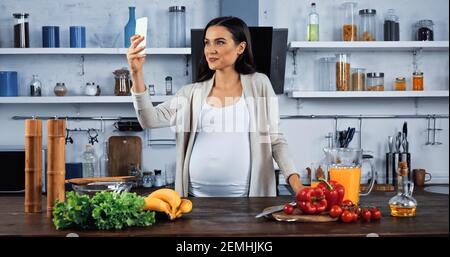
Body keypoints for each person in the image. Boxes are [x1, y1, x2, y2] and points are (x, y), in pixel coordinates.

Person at [127, 16, 304, 197]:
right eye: (207, 43)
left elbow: (274, 140)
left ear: (240, 48)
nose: (211, 50)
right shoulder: (191, 93)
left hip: (249, 201)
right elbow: (149, 119)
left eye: (219, 42)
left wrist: (298, 186)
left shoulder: (259, 84)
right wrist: (136, 73)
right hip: (194, 201)